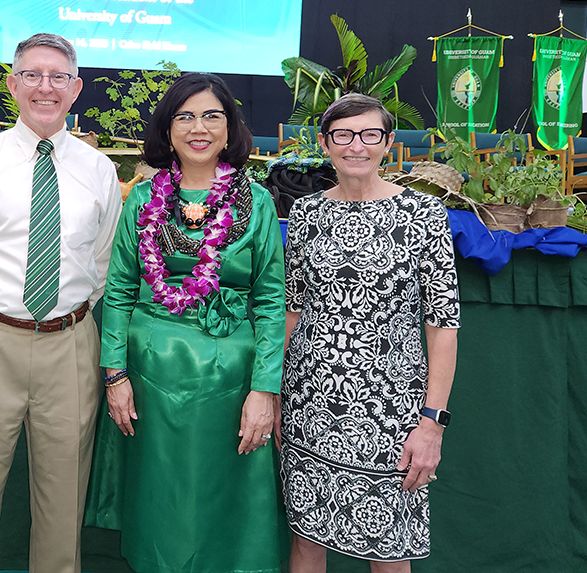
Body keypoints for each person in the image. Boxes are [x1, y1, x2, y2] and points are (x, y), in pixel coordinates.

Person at [0, 33, 122, 573]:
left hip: (70, 346)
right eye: (32, 75)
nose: (45, 87)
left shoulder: (99, 171)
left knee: (63, 507)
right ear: (12, 85)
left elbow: (100, 266)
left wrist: (63, 317)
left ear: (76, 88)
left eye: (58, 77)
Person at [85, 73, 287, 573]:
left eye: (212, 116)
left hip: (234, 381)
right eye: (186, 116)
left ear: (230, 127)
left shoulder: (256, 201)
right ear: (168, 129)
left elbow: (270, 300)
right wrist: (115, 374)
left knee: (223, 504)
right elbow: (120, 291)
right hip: (153, 375)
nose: (199, 128)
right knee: (163, 505)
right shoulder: (142, 198)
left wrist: (266, 389)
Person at [278, 93, 460, 572]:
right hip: (308, 403)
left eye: (369, 135)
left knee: (390, 553)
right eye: (343, 134)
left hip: (391, 411)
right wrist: (276, 394)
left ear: (388, 143)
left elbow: (442, 324)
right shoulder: (305, 214)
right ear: (325, 143)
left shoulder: (424, 214)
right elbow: (292, 311)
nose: (355, 145)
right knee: (305, 539)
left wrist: (432, 422)